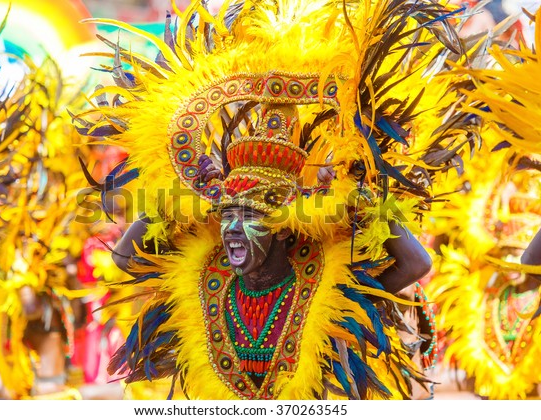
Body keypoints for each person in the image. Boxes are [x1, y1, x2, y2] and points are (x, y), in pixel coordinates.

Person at [79, 0, 471, 399]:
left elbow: (417, 262)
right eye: (228, 214)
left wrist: (361, 195)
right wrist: (168, 198)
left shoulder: (329, 275)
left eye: (251, 215)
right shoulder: (205, 270)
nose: (231, 227)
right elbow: (127, 258)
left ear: (284, 231)